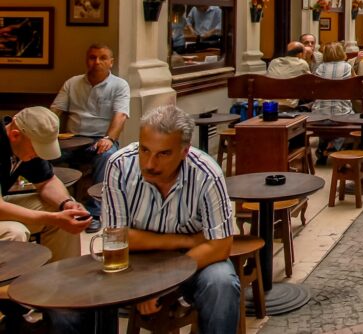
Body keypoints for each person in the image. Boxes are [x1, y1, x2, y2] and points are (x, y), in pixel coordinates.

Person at [101, 105, 239, 333]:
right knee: (92, 289)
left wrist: (162, 280)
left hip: (195, 260)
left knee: (221, 283)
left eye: (163, 154)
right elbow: (116, 240)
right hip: (139, 261)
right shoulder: (119, 165)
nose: (149, 164)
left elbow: (221, 246)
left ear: (185, 151)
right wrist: (185, 240)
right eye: (144, 150)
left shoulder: (206, 174)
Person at [51, 44, 130, 232]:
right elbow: (55, 111)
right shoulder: (72, 83)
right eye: (92, 58)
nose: (97, 62)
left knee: (108, 157)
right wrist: (46, 134)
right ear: (87, 60)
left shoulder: (119, 85)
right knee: (43, 156)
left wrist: (109, 138)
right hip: (71, 140)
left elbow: (121, 115)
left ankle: (93, 213)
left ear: (111, 62)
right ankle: (59, 206)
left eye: (103, 58)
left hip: (99, 140)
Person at [0, 107, 90, 260]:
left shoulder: (23, 145)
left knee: (65, 215)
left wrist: (65, 204)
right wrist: (51, 218)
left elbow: (47, 181)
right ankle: (13, 284)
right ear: (15, 135)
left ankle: (61, 279)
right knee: (15, 232)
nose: (38, 154)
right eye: (36, 149)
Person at [312, 42, 353, 161]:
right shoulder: (347, 67)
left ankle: (323, 146)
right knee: (352, 118)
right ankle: (334, 146)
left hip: (319, 114)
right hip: (342, 114)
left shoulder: (320, 67)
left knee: (325, 117)